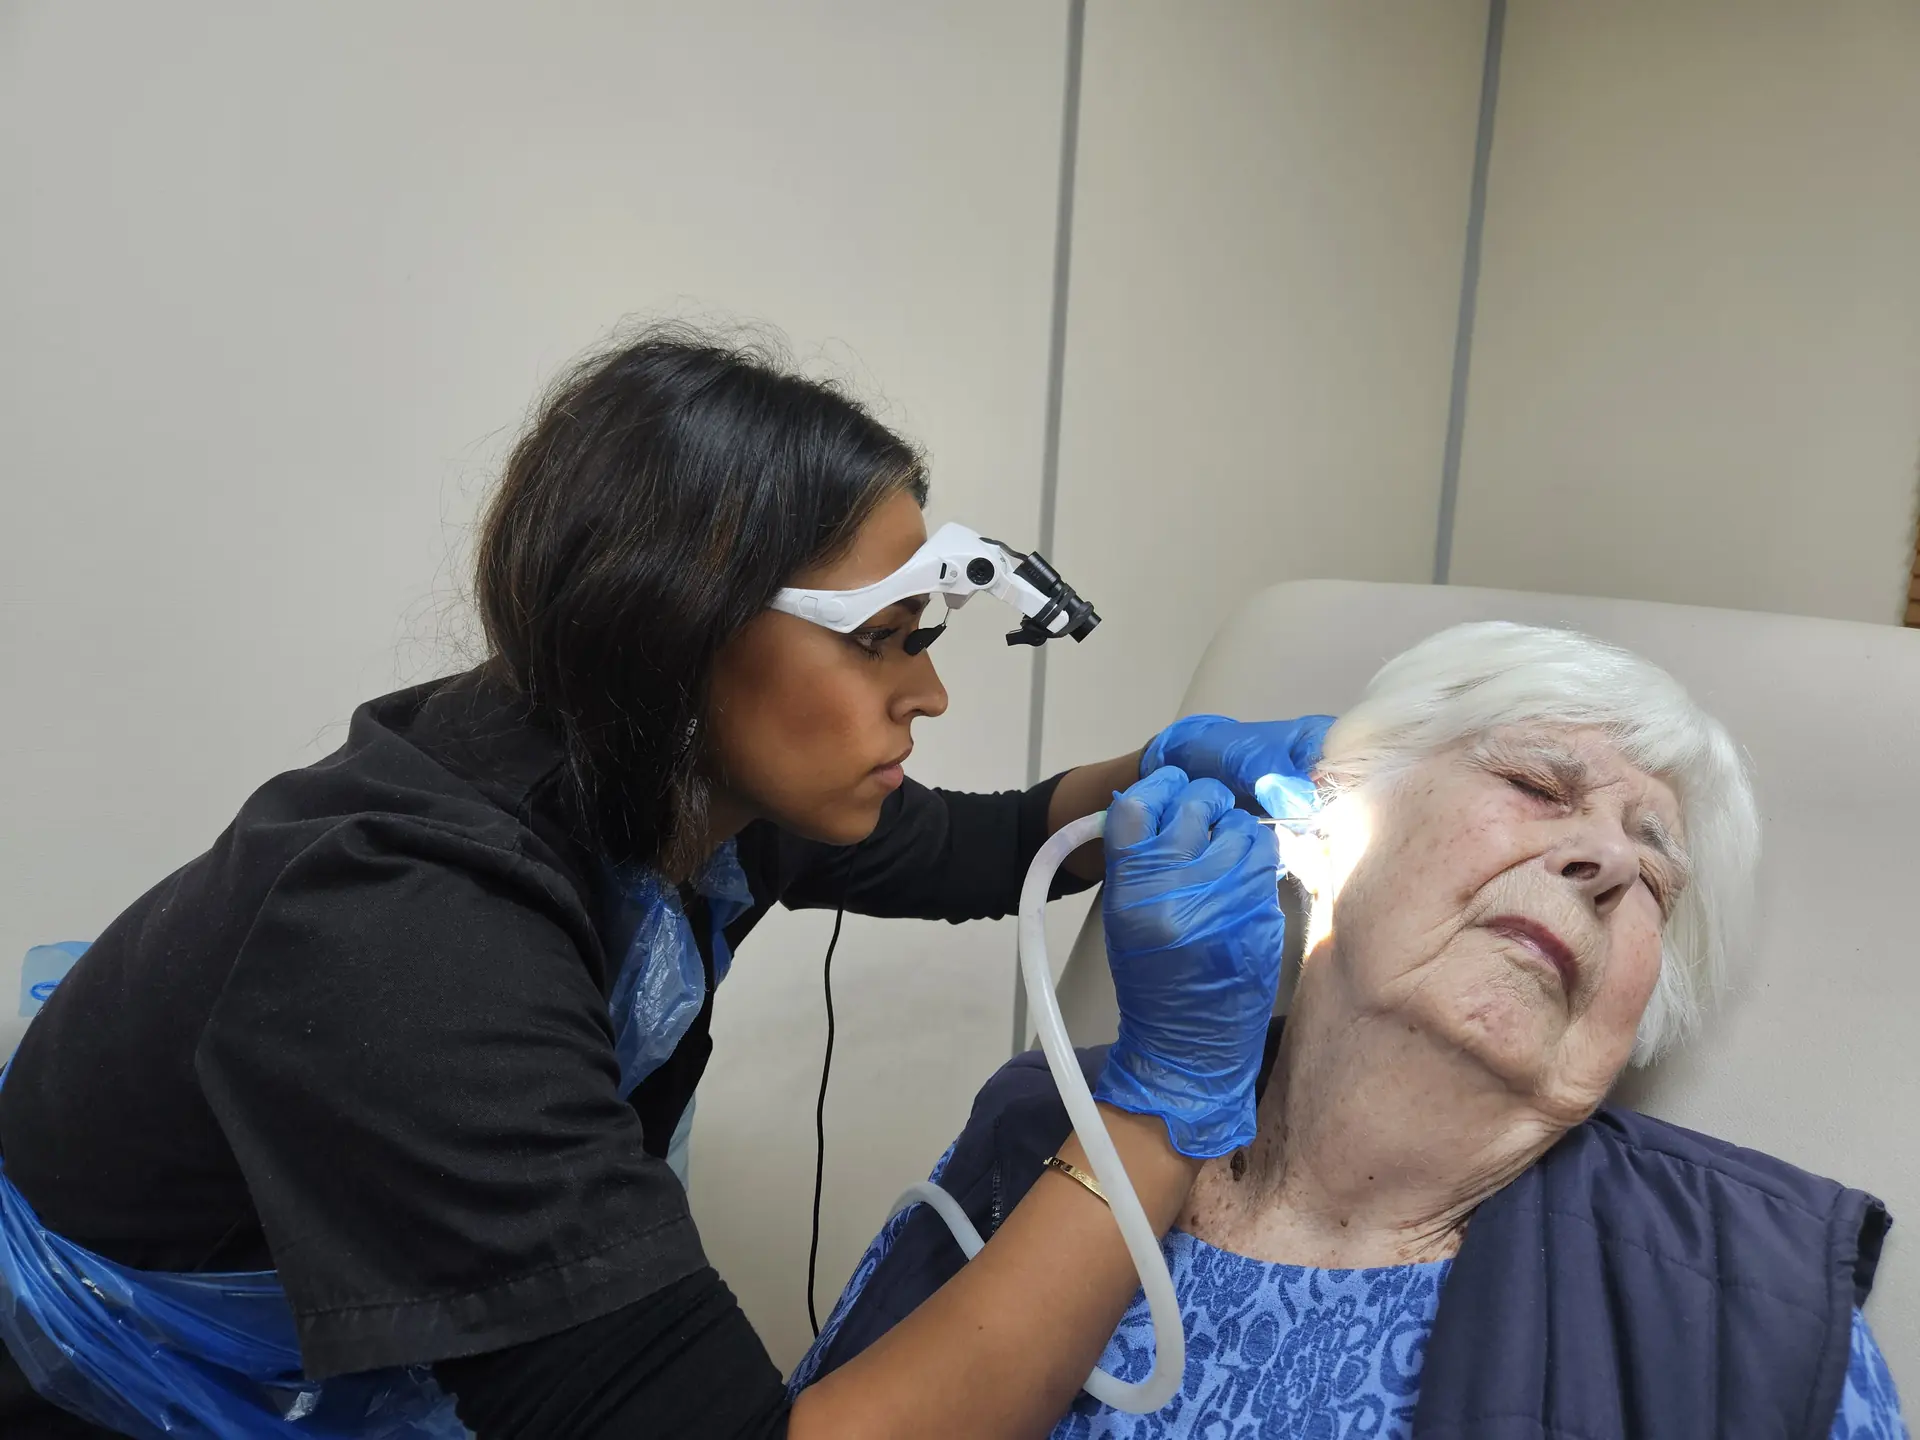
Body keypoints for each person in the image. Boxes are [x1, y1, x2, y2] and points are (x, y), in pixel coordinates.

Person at [0, 327, 1332, 1439]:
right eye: (882, 641)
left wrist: (1158, 776)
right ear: (680, 633)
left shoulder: (661, 769)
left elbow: (972, 848)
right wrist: (1161, 1109)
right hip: (99, 1388)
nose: (928, 693)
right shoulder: (415, 944)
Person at [797, 621, 1907, 1440]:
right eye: (1536, 784)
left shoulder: (1752, 1303)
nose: (1610, 859)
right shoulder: (1040, 1128)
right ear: (1328, 821)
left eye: (1654, 876)